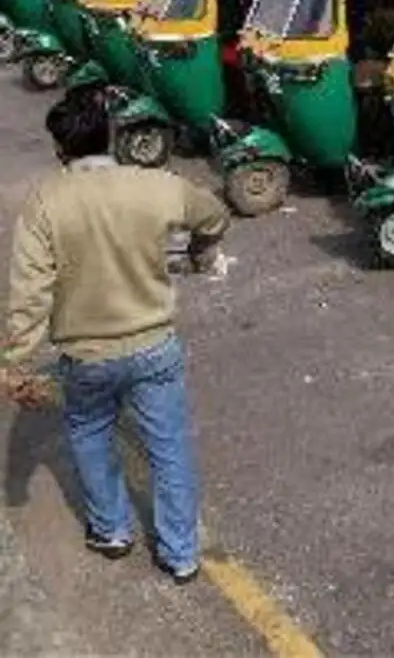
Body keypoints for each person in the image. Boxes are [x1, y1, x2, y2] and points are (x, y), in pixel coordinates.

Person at [0, 86, 230, 584]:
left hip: (86, 355)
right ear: (110, 138)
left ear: (60, 150)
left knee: (89, 432)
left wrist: (15, 361)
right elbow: (214, 214)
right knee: (168, 446)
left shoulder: (45, 202)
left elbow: (29, 294)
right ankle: (180, 553)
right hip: (154, 347)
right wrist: (198, 249)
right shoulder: (155, 185)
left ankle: (112, 531)